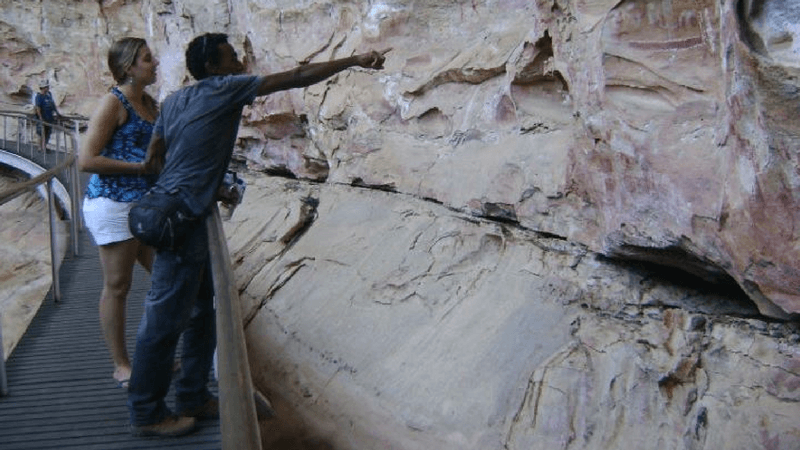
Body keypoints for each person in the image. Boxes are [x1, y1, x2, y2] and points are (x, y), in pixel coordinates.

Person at [125, 32, 388, 437]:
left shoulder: (175, 99)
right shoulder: (227, 88)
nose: (240, 65)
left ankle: (193, 395)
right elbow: (297, 76)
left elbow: (153, 154)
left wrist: (192, 181)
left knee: (201, 312)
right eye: (232, 58)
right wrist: (354, 59)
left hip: (175, 210)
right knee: (162, 322)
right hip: (182, 218)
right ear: (213, 68)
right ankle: (147, 412)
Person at [78, 37, 159, 389]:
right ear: (128, 67)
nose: (154, 63)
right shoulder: (113, 103)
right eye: (147, 58)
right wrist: (140, 169)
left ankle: (153, 355)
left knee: (168, 277)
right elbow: (87, 160)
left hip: (143, 205)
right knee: (117, 286)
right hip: (111, 205)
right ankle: (121, 364)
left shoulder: (149, 103)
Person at [34, 79, 61, 151]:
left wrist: (57, 113)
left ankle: (44, 146)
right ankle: (40, 147)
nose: (47, 88)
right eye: (46, 87)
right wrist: (40, 118)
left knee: (48, 132)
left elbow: (53, 105)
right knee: (41, 133)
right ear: (43, 88)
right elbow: (38, 107)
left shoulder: (49, 95)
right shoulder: (39, 97)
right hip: (43, 117)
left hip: (49, 117)